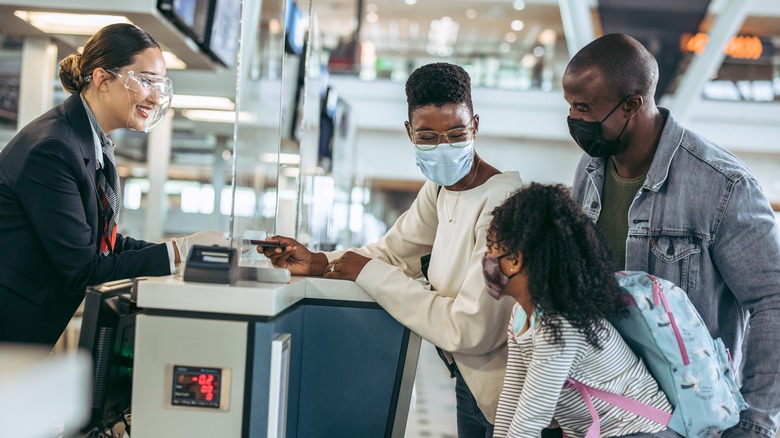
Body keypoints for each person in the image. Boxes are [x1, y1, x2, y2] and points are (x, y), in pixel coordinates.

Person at [261, 62, 523, 436]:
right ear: (409, 132)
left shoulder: (503, 204)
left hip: (508, 396)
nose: (444, 147)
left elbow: (470, 330)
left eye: (457, 133)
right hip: (470, 383)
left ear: (475, 126)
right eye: (428, 137)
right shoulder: (438, 191)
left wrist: (366, 272)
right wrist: (320, 263)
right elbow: (394, 253)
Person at [564, 33, 780, 437]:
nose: (575, 119)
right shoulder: (591, 169)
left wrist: (755, 424)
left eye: (584, 108)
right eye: (570, 106)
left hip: (687, 421)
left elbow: (772, 301)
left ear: (632, 104)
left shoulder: (723, 185)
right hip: (606, 409)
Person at [0, 23, 224, 346]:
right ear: (102, 79)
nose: (155, 96)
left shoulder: (89, 143)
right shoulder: (53, 149)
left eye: (160, 85)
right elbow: (86, 270)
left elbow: (102, 244)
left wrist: (183, 252)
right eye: (146, 81)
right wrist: (176, 252)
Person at [485, 182, 679, 438]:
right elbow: (512, 399)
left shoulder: (560, 326)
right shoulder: (521, 316)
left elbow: (530, 420)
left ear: (514, 260)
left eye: (491, 250)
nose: (486, 260)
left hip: (641, 431)